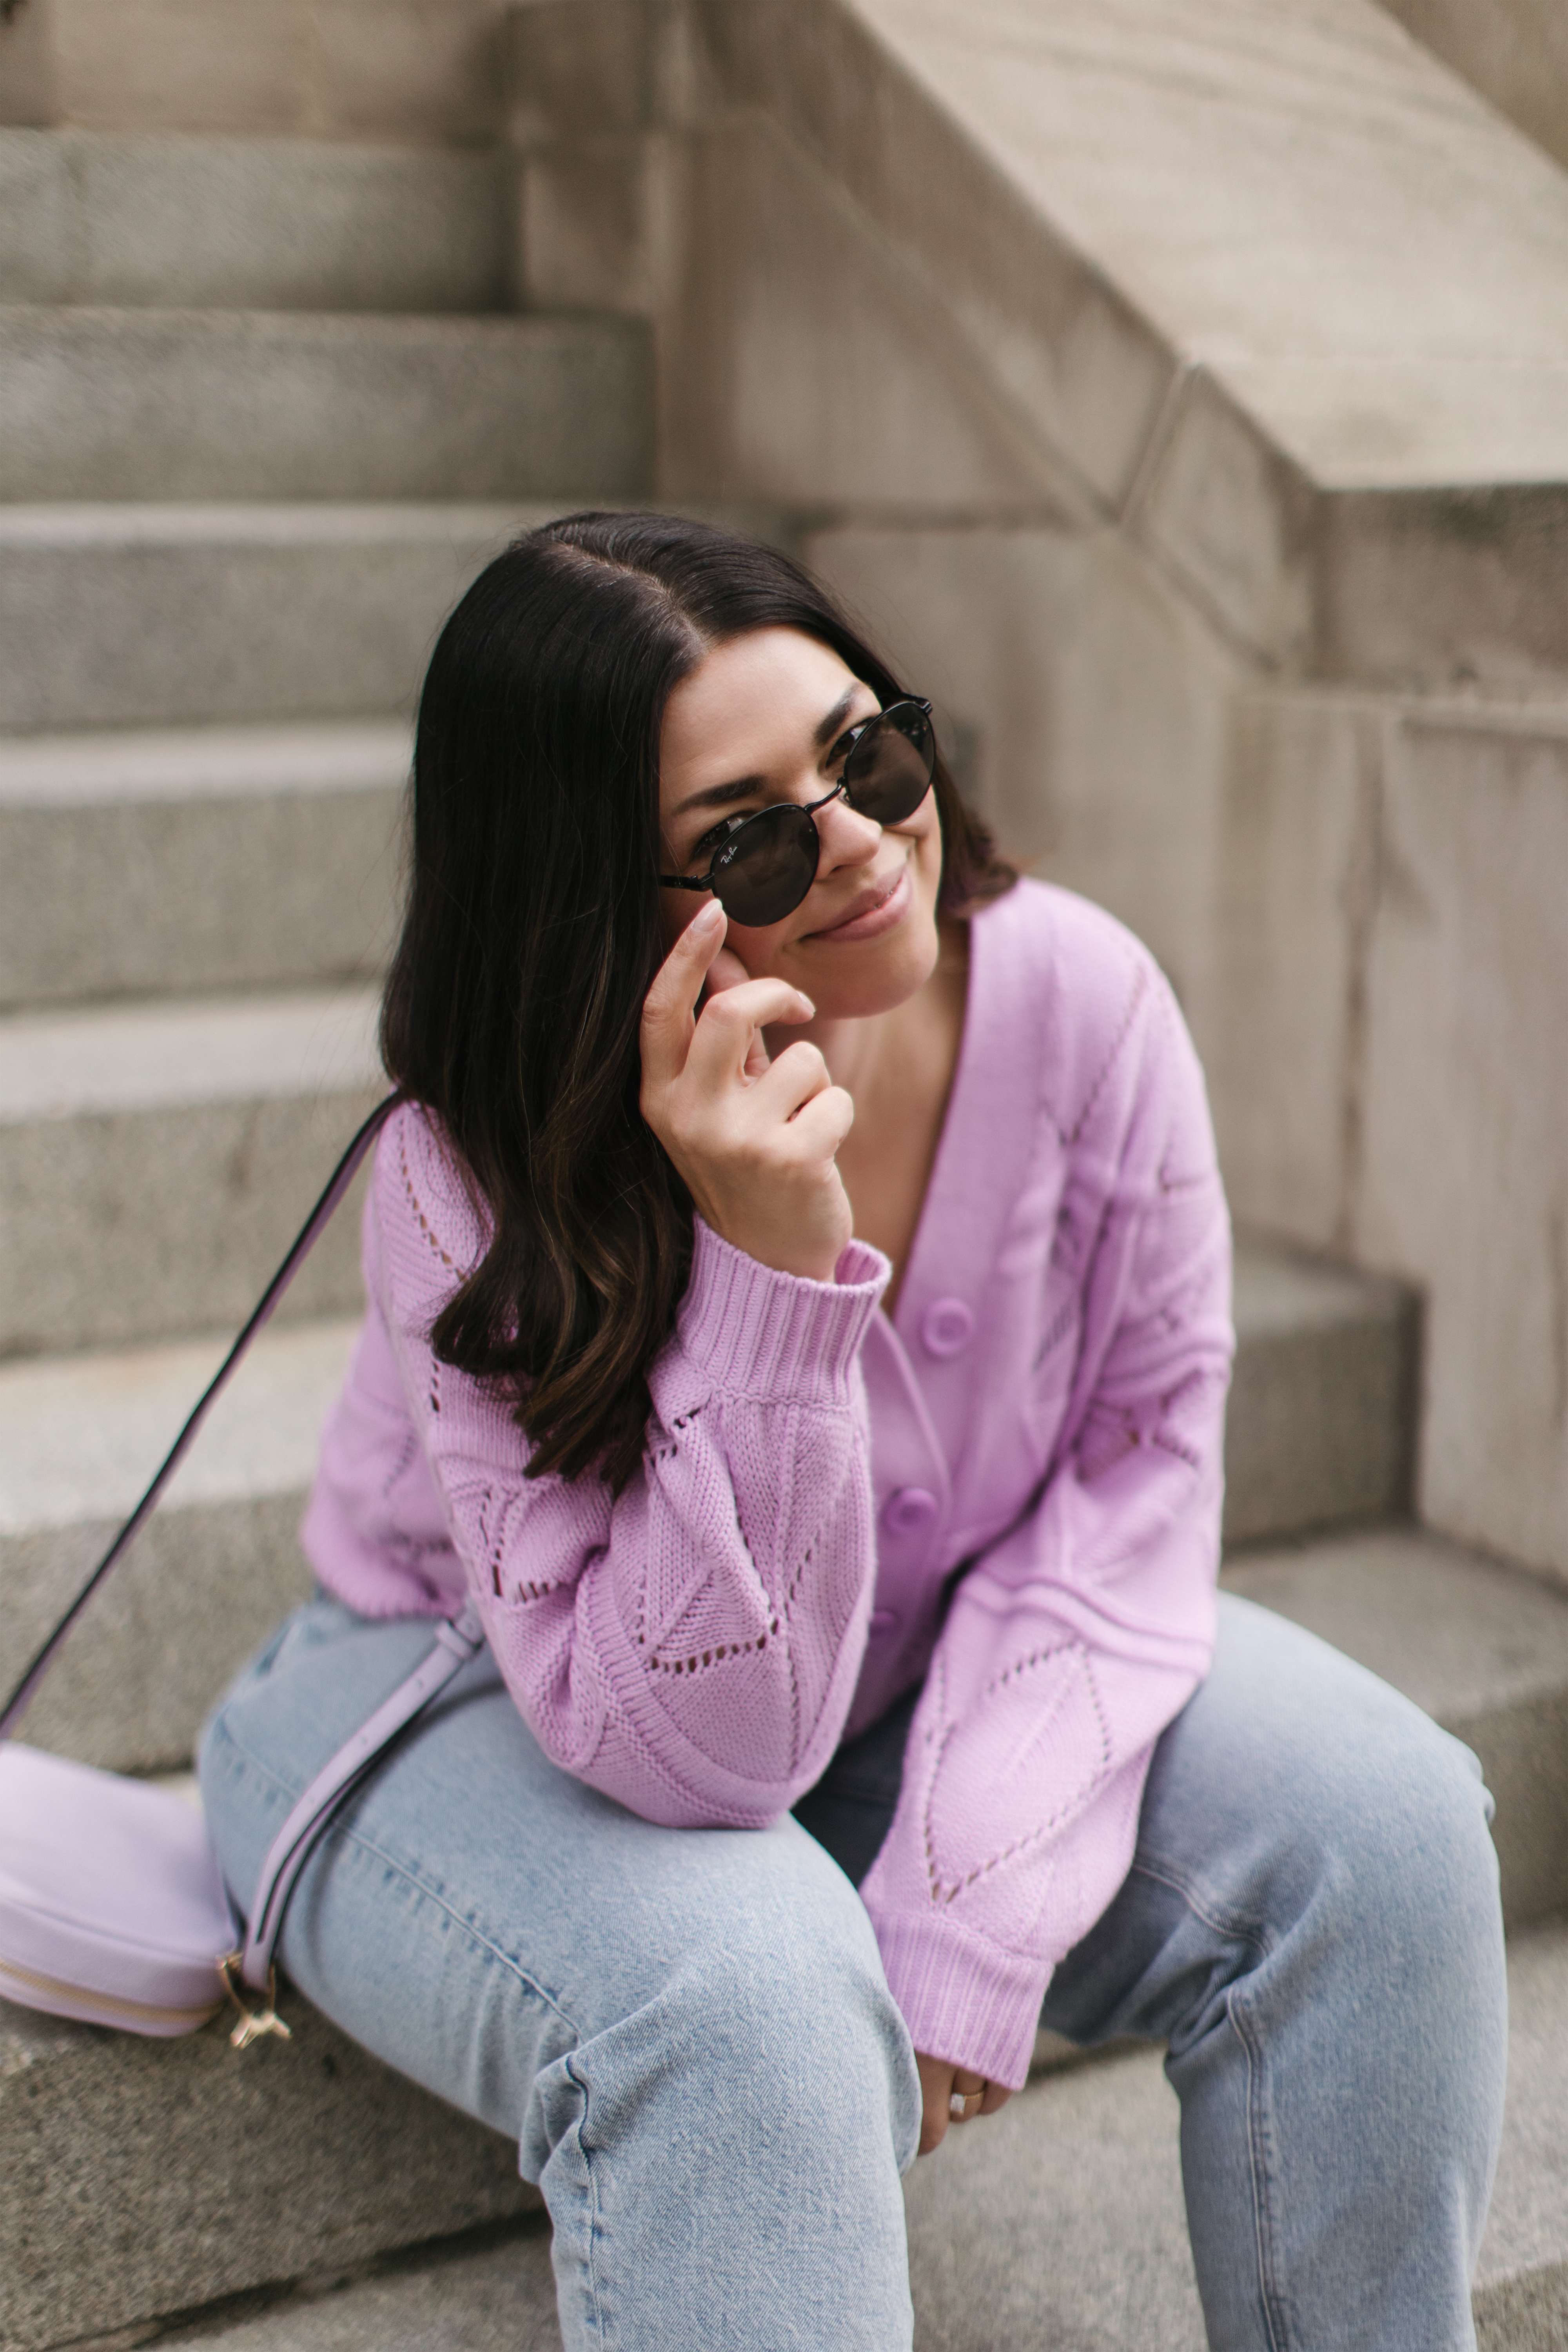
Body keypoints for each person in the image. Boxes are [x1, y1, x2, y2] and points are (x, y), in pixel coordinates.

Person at [200, 511, 1507, 2351]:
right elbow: (707, 1761)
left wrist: (970, 1897)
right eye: (746, 839)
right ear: (590, 904)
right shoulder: (466, 1173)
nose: (863, 847)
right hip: (457, 1702)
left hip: (894, 1674)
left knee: (1383, 1829)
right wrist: (764, 1274)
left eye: (866, 757)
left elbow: (1137, 1477)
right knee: (755, 1999)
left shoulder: (1081, 1002)